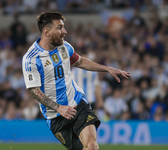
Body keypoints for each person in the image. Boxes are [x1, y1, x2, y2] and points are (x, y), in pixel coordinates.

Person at [22, 12, 130, 150]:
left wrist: (107, 69)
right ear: (46, 31)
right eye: (60, 27)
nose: (64, 32)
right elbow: (34, 92)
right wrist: (59, 108)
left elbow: (79, 62)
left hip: (77, 103)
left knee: (91, 146)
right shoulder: (31, 58)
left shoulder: (64, 46)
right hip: (55, 116)